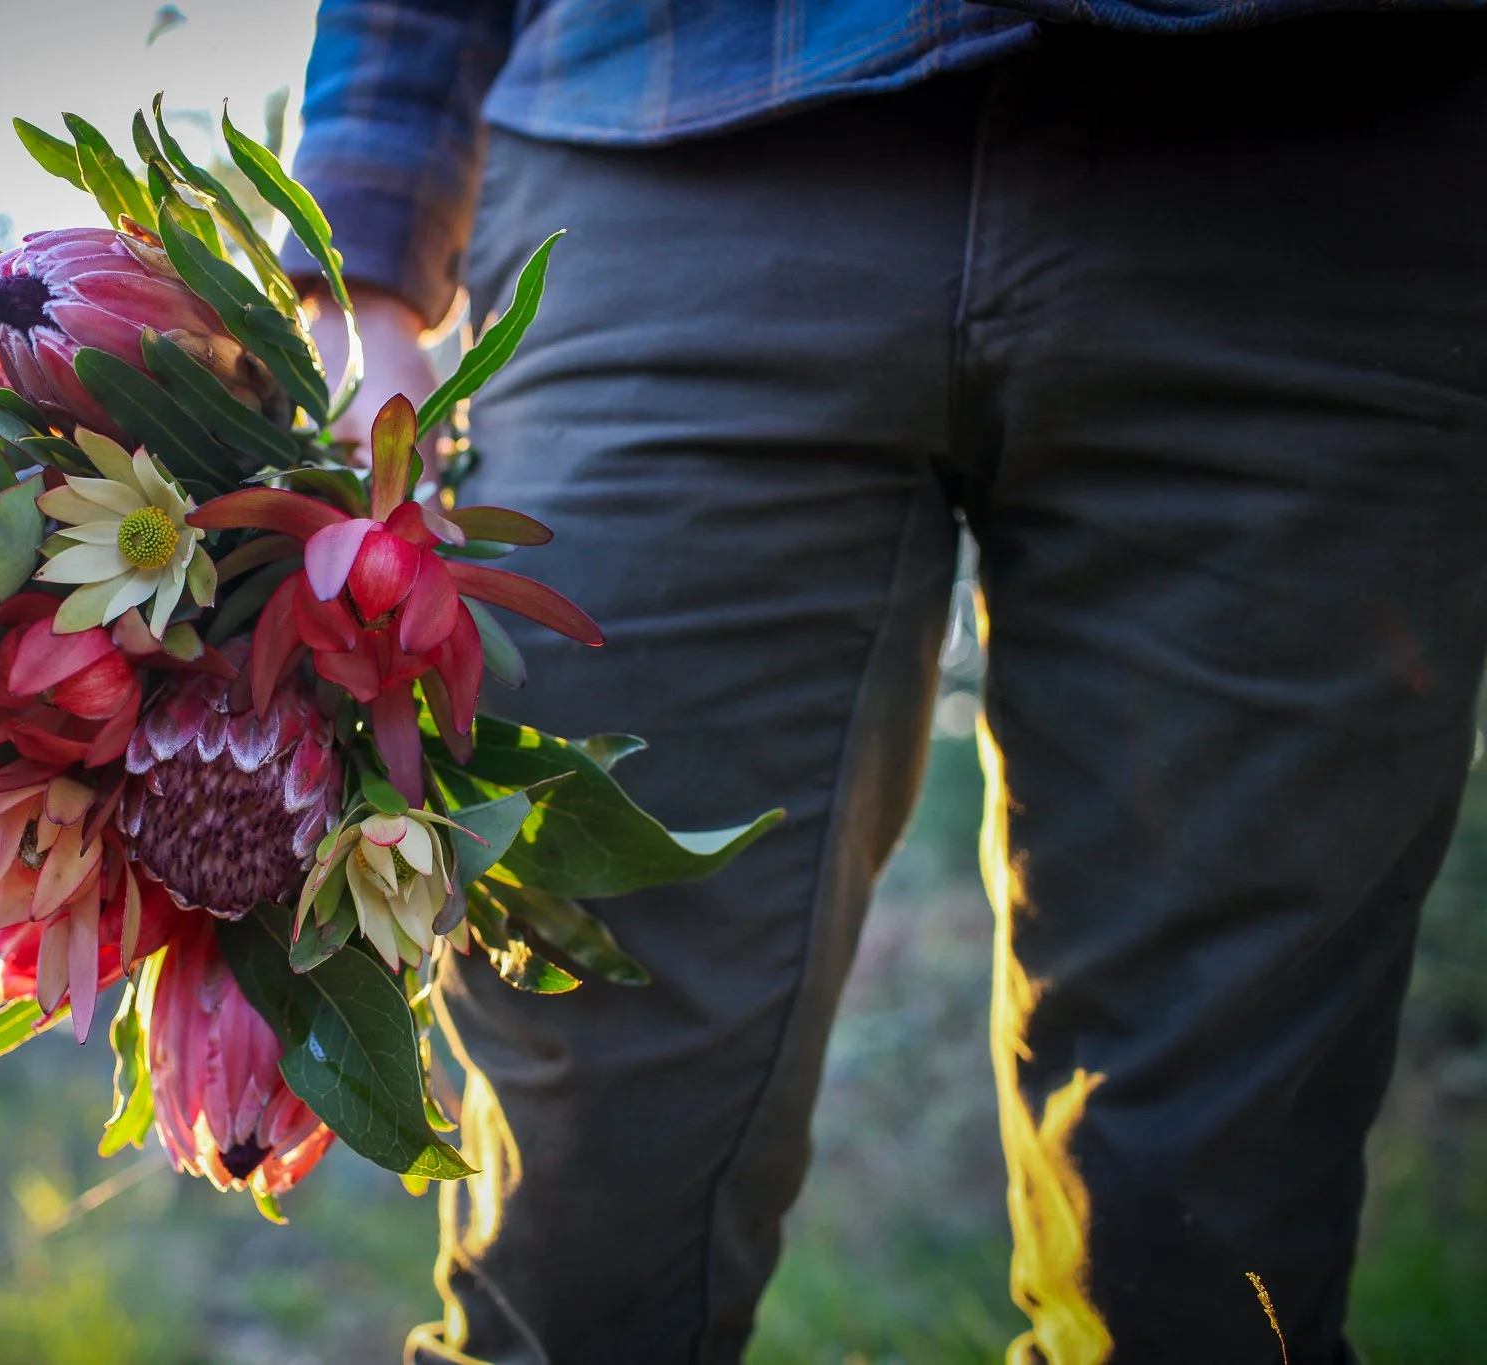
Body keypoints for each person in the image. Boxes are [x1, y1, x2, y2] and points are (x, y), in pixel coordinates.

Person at [282, 3, 1487, 1361]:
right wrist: (361, 277)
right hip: (672, 146)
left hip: (1325, 156)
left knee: (1212, 1252)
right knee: (582, 1221)